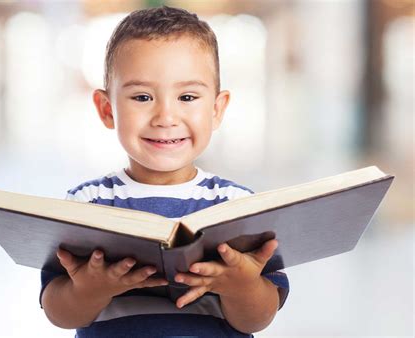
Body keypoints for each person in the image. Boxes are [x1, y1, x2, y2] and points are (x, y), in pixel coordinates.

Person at [40, 6, 289, 337]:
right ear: (106, 109)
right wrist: (91, 289)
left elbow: (258, 318)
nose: (165, 116)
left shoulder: (237, 205)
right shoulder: (85, 205)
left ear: (217, 109)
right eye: (142, 97)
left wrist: (240, 286)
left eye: (187, 96)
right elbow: (58, 311)